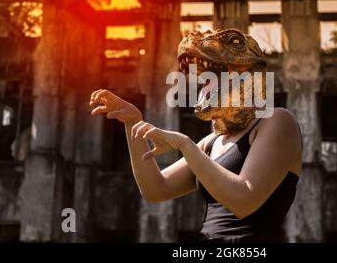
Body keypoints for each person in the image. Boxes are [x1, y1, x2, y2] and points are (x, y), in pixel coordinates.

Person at [90, 29, 303, 243]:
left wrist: (185, 144)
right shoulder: (211, 142)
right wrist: (132, 123)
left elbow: (245, 200)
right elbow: (155, 189)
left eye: (233, 42)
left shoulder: (276, 120)